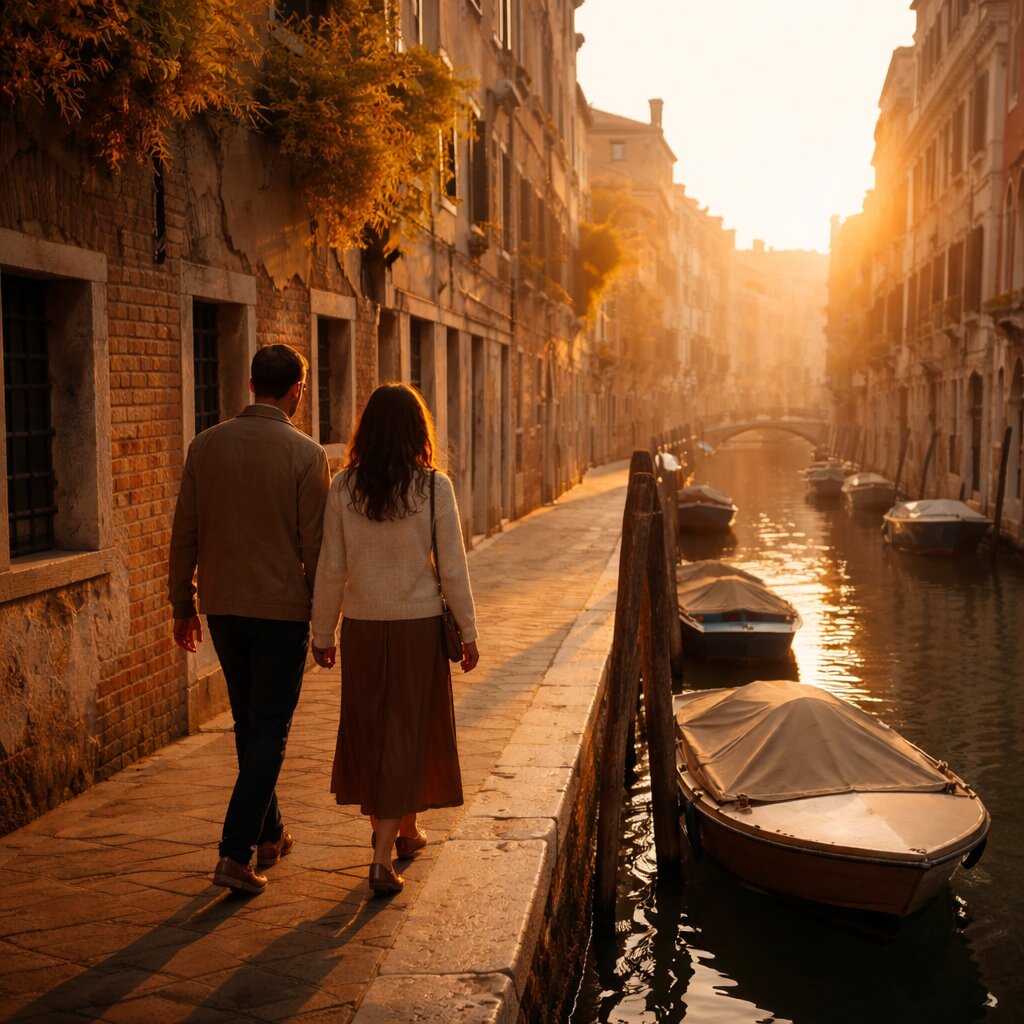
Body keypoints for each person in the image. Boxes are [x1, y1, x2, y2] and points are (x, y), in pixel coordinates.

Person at [168, 343, 331, 895]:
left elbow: (183, 532)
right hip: (281, 614)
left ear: (251, 385)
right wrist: (324, 620)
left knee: (250, 726)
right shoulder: (306, 455)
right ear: (297, 391)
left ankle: (271, 834)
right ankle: (235, 852)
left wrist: (181, 604)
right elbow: (318, 548)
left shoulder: (204, 446)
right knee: (270, 732)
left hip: (222, 609)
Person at [310, 382, 479, 897]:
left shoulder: (343, 487)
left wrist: (323, 631)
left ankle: (406, 831)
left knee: (379, 728)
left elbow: (331, 567)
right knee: (406, 729)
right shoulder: (433, 488)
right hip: (418, 629)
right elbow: (452, 568)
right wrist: (469, 632)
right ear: (416, 432)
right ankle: (381, 860)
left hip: (363, 628)